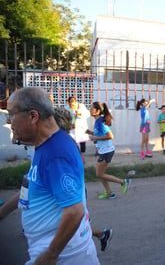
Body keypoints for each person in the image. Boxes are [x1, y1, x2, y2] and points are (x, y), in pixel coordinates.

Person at [0, 87, 100, 264]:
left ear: (32, 116)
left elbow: (75, 211)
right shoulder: (45, 145)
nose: (8, 121)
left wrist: (51, 254)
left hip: (65, 256)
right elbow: (31, 186)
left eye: (11, 114)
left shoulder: (56, 154)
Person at [54, 107, 113, 252]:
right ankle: (101, 234)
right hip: (74, 188)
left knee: (74, 223)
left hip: (72, 190)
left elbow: (109, 136)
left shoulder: (64, 143)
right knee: (75, 223)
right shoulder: (63, 141)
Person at [86, 101, 130, 199]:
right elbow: (100, 134)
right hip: (102, 150)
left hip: (106, 151)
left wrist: (95, 138)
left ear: (97, 111)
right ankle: (109, 192)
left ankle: (123, 182)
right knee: (100, 174)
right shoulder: (98, 121)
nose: (90, 110)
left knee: (99, 174)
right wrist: (91, 132)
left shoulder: (100, 122)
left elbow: (110, 136)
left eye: (92, 108)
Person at [66, 96, 90, 162]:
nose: (71, 106)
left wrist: (80, 113)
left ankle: (82, 157)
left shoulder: (81, 106)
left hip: (81, 128)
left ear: (75, 102)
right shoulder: (67, 108)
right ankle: (74, 157)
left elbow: (87, 114)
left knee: (82, 143)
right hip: (72, 129)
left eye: (73, 104)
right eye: (70, 105)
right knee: (72, 143)